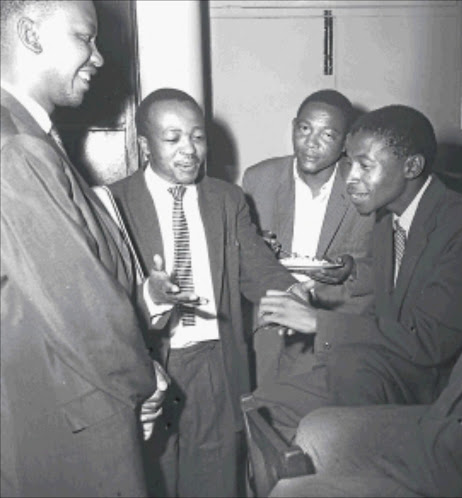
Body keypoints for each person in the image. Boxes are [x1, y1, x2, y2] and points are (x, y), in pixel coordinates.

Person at [269, 90, 462, 498]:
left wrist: (319, 323)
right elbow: (391, 318)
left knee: (345, 373)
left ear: (412, 166)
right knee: (271, 402)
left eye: (364, 165)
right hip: (404, 372)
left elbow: (431, 343)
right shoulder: (388, 220)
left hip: (445, 399)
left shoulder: (461, 222)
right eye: (349, 164)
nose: (349, 178)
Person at [0, 1, 177, 496]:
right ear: (31, 34)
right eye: (85, 38)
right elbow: (81, 309)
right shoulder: (17, 147)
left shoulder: (32, 137)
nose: (98, 57)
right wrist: (147, 380)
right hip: (66, 421)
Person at [107, 88, 299, 498]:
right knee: (151, 477)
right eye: (172, 138)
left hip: (213, 361)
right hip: (150, 365)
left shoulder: (226, 199)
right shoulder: (113, 202)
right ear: (145, 144)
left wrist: (291, 292)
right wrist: (150, 294)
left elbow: (257, 265)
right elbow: (104, 300)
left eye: (197, 137)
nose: (189, 150)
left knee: (213, 482)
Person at [242, 90, 374, 385]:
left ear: (346, 143)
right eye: (304, 129)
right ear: (293, 128)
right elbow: (241, 257)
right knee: (265, 415)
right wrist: (258, 250)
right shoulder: (257, 179)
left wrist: (351, 270)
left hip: (335, 324)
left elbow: (382, 267)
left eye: (327, 135)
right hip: (270, 325)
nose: (311, 143)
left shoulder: (366, 187)